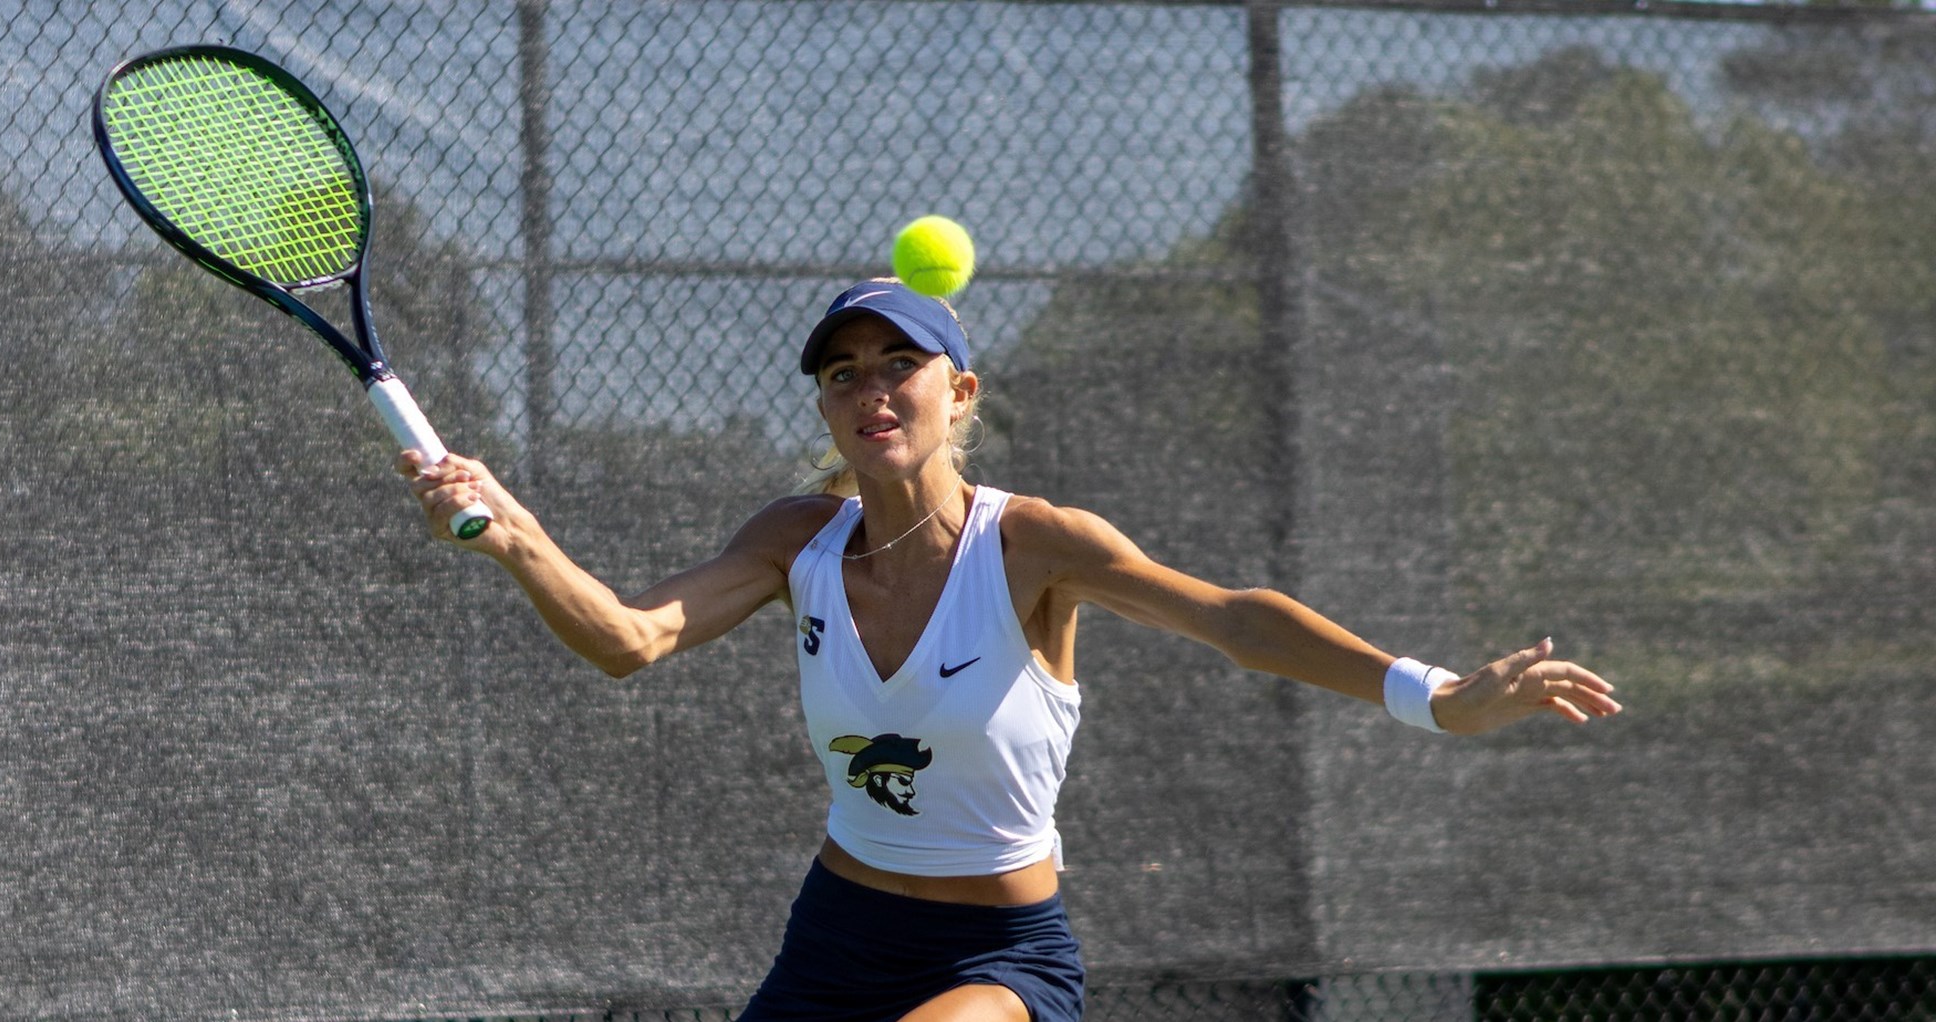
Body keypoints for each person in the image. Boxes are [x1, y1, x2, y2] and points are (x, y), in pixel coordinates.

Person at [399, 278, 1622, 1022]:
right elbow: (629, 638)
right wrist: (515, 536)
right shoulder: (795, 539)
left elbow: (1232, 616)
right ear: (824, 407)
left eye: (897, 365)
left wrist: (1438, 696)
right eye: (841, 374)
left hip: (999, 953)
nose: (868, 388)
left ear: (957, 389)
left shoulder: (1029, 543)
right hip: (837, 935)